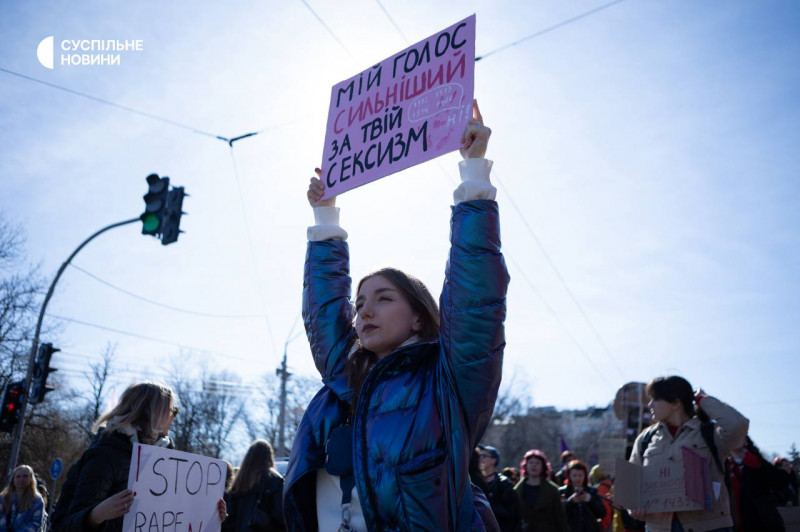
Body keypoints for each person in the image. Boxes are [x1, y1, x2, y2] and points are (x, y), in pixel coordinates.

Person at [283, 100, 509, 531]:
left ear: (420, 318)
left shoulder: (448, 381)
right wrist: (325, 214)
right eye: (361, 301)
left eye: (384, 299)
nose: (364, 309)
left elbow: (476, 300)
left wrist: (474, 175)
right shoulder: (346, 376)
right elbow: (324, 309)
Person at [51, 382, 227, 531]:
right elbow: (63, 525)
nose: (174, 417)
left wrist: (210, 515)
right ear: (151, 412)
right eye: (172, 411)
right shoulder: (104, 455)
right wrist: (95, 515)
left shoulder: (168, 459)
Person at [629, 376, 749, 532]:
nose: (650, 404)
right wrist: (633, 505)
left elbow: (738, 424)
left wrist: (702, 399)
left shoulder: (709, 433)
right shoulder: (646, 438)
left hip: (709, 527)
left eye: (656, 399)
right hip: (659, 528)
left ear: (676, 403)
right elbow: (630, 480)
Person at [728, 436, 788, 532]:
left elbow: (781, 482)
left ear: (745, 441)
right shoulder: (726, 466)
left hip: (762, 524)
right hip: (736, 524)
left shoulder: (756, 461)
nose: (733, 437)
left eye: (738, 435)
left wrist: (755, 462)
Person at [223, 440, 285, 532]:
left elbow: (230, 519)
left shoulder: (238, 483)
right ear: (269, 457)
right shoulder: (274, 480)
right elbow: (281, 516)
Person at [515, 450, 568, 532]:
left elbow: (560, 518)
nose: (534, 466)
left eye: (537, 463)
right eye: (531, 463)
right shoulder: (517, 491)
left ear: (543, 467)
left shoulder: (552, 491)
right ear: (525, 466)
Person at [479, 445, 520, 531]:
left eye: (484, 456)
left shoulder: (504, 483)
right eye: (479, 455)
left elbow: (511, 512)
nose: (480, 458)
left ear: (494, 460)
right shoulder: (476, 482)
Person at [559, 460, 606, 532]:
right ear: (569, 476)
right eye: (574, 475)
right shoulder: (562, 492)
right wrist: (571, 501)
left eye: (580, 475)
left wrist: (589, 499)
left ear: (585, 476)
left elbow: (602, 513)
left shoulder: (592, 491)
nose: (578, 478)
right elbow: (558, 514)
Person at [0, 464, 45, 532]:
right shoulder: (3, 497)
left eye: (25, 476)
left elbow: (36, 523)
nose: (21, 479)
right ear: (13, 479)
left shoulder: (37, 500)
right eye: (18, 476)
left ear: (31, 479)